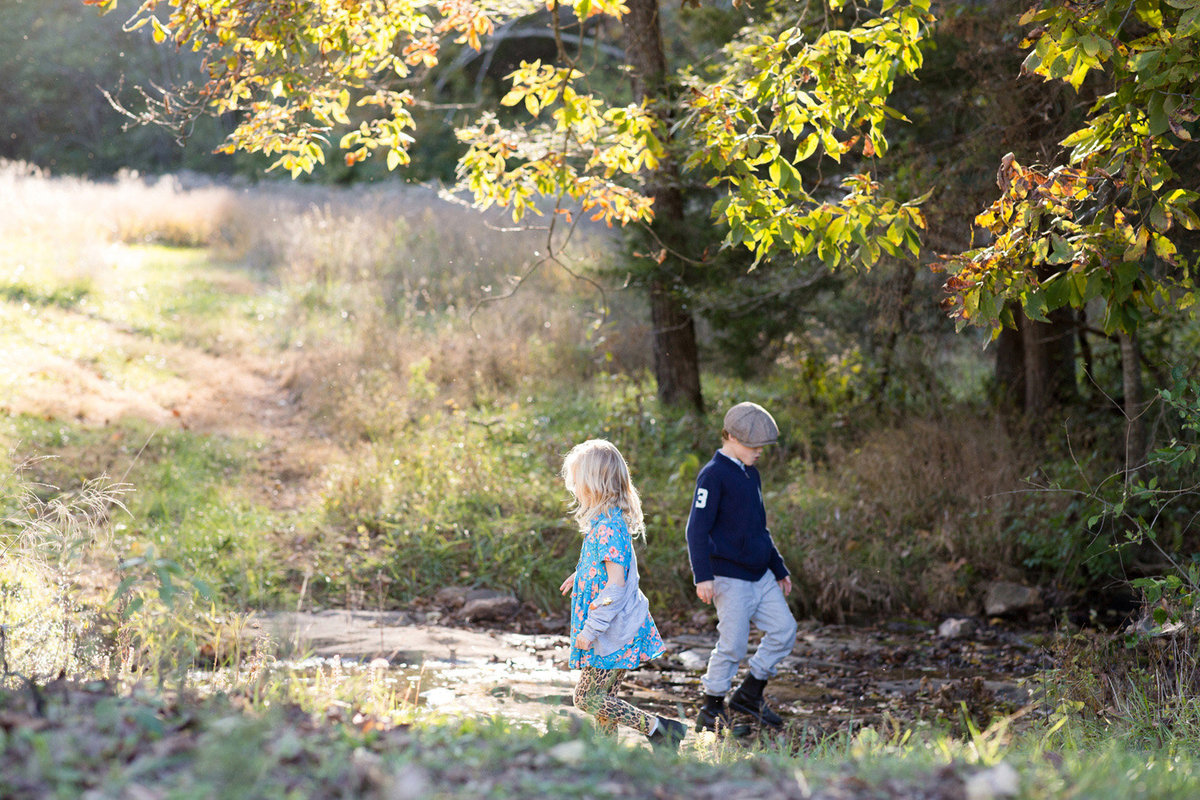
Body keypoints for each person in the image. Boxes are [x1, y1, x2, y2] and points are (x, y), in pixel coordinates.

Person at [559, 439, 687, 751]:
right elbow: (611, 566)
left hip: (612, 630)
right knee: (606, 701)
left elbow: (615, 585)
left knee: (587, 698)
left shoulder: (608, 527)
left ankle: (659, 729)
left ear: (593, 483)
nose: (573, 486)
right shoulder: (605, 521)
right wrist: (583, 573)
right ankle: (607, 755)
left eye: (576, 480)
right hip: (617, 628)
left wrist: (591, 629)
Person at [685, 402, 798, 732]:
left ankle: (751, 692)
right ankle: (712, 706)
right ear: (731, 437)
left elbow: (759, 528)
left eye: (762, 445)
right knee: (732, 645)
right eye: (753, 445)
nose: (759, 451)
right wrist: (702, 575)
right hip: (727, 578)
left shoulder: (752, 475)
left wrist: (778, 567)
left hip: (760, 575)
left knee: (784, 630)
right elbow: (696, 529)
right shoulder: (713, 475)